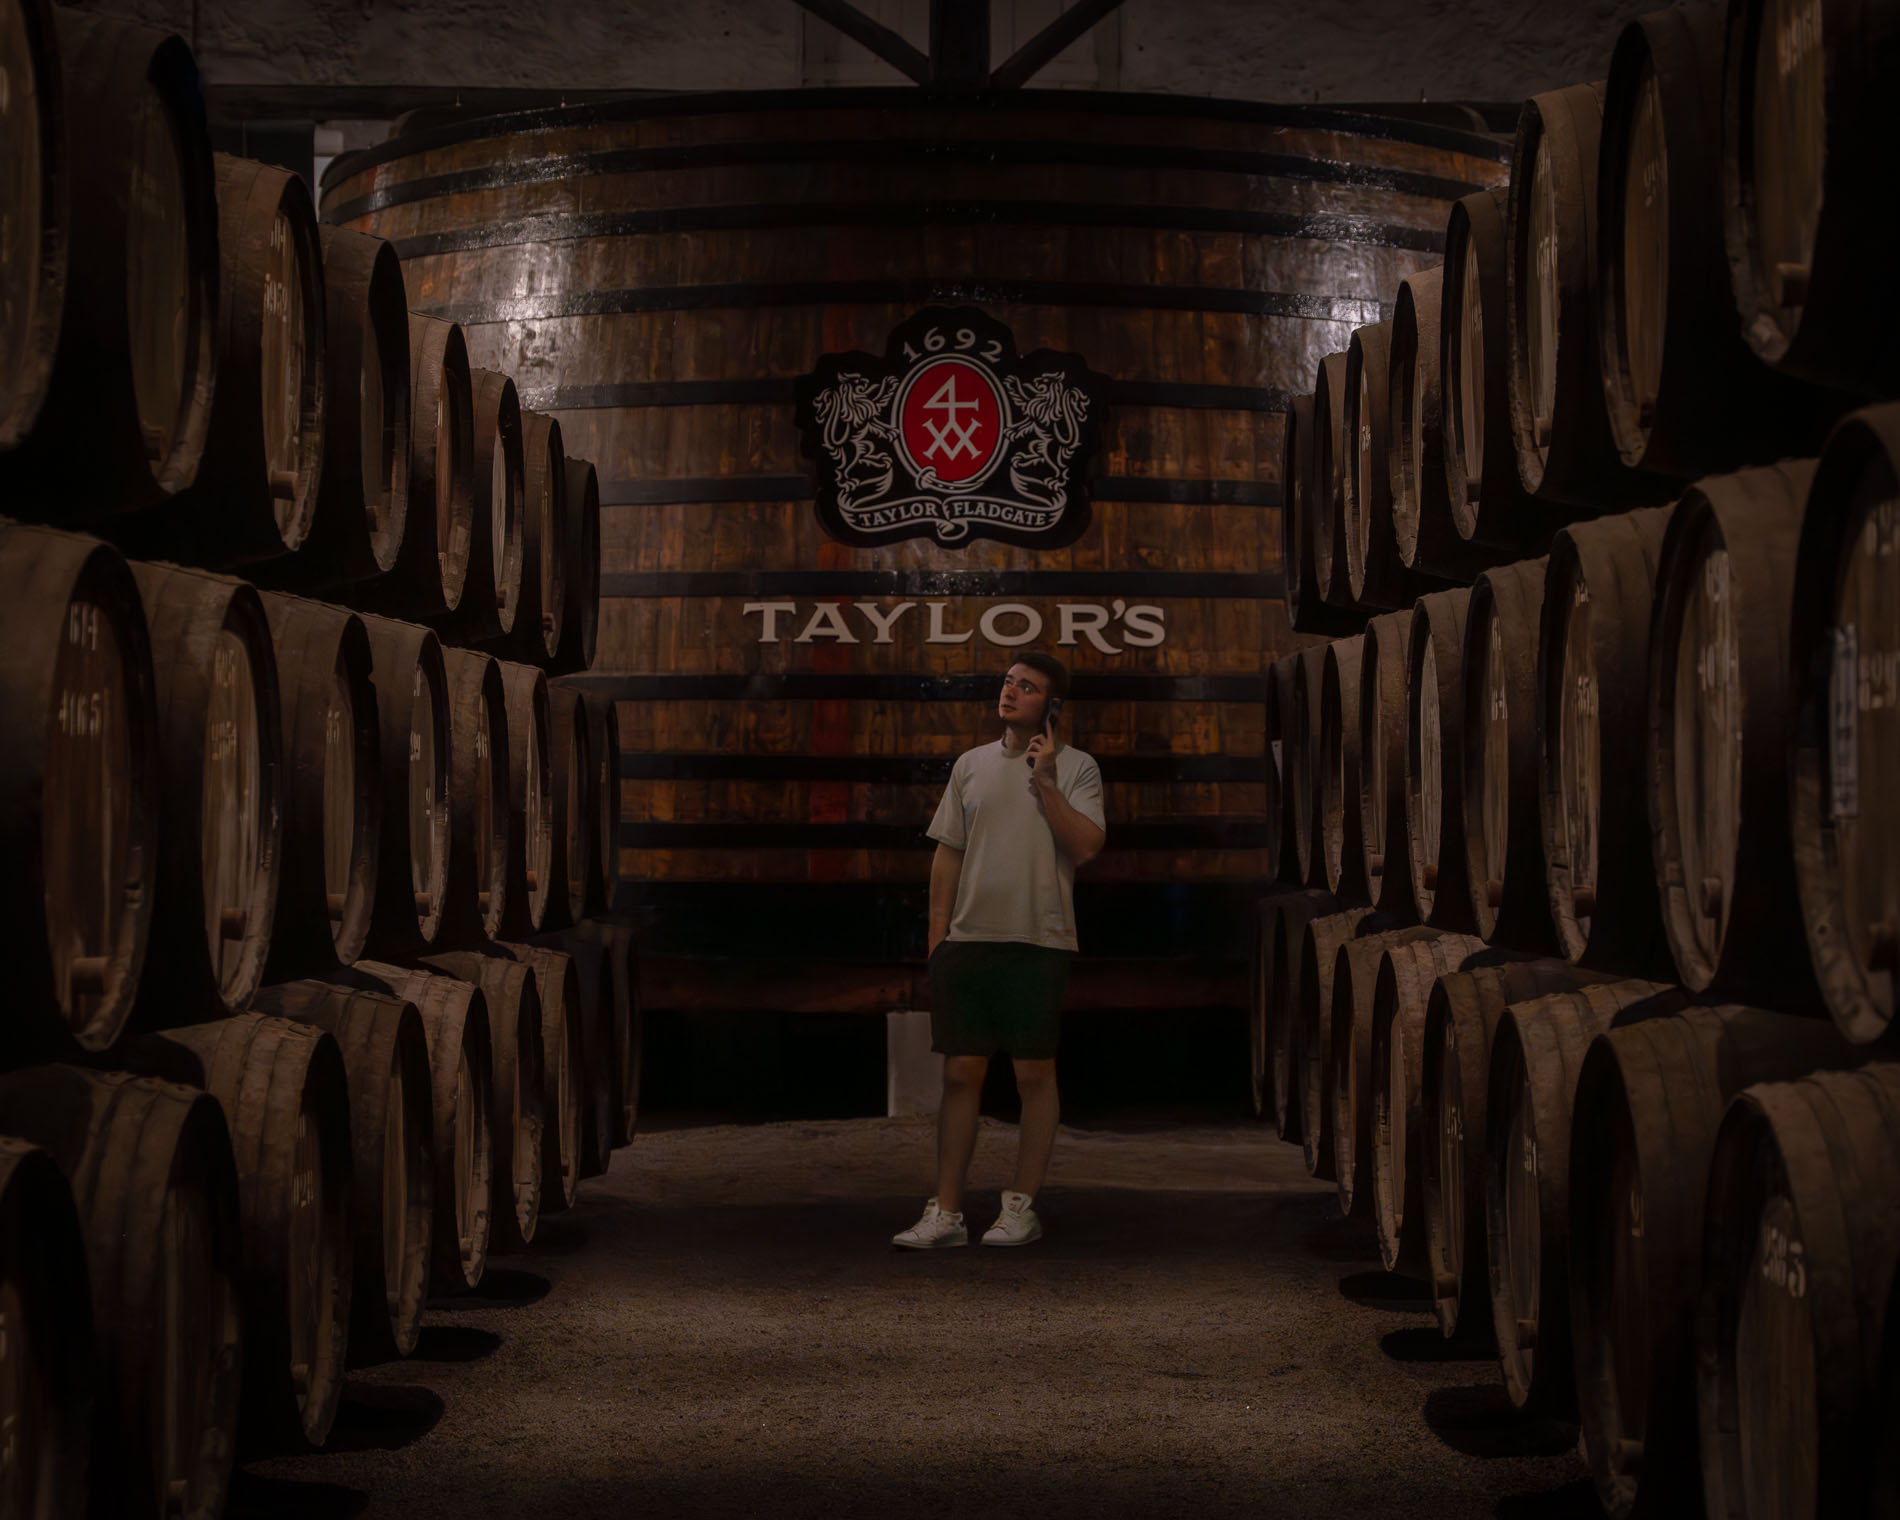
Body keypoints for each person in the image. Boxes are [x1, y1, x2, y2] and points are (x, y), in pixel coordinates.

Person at [892, 651, 1106, 1249]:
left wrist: (1045, 782)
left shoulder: (1079, 768)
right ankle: (949, 1213)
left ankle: (1022, 1206)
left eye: (1027, 687)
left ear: (1051, 706)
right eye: (1009, 682)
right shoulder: (970, 765)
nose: (1011, 693)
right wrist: (939, 941)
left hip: (1039, 939)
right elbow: (948, 854)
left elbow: (1085, 847)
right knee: (961, 1075)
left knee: (1034, 1073)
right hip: (970, 941)